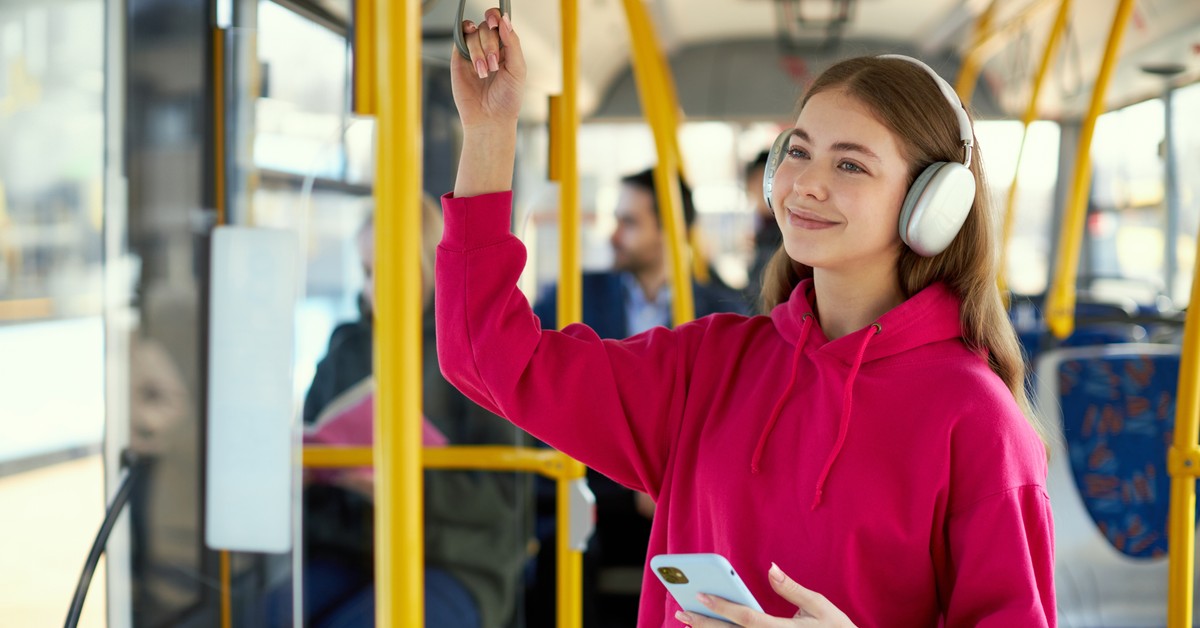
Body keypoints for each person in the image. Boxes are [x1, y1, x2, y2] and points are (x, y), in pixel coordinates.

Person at [440, 9, 1054, 628]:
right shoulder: (711, 365)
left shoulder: (978, 421)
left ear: (933, 204)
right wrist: (490, 133)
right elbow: (485, 354)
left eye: (850, 164)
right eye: (799, 151)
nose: (804, 184)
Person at [293, 196, 532, 628]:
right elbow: (312, 439)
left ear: (428, 268)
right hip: (351, 545)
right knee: (267, 612)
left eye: (390, 270)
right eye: (368, 272)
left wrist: (402, 486)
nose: (374, 289)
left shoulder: (473, 352)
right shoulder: (347, 347)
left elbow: (504, 496)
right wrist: (308, 471)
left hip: (457, 558)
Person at [528, 168, 747, 626]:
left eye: (629, 222)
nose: (614, 235)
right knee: (561, 548)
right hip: (594, 486)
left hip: (688, 495)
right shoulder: (570, 298)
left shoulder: (730, 316)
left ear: (670, 230)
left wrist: (675, 485)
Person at [742, 150, 781, 313]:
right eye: (758, 183)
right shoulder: (763, 233)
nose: (765, 191)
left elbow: (756, 297)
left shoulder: (779, 238)